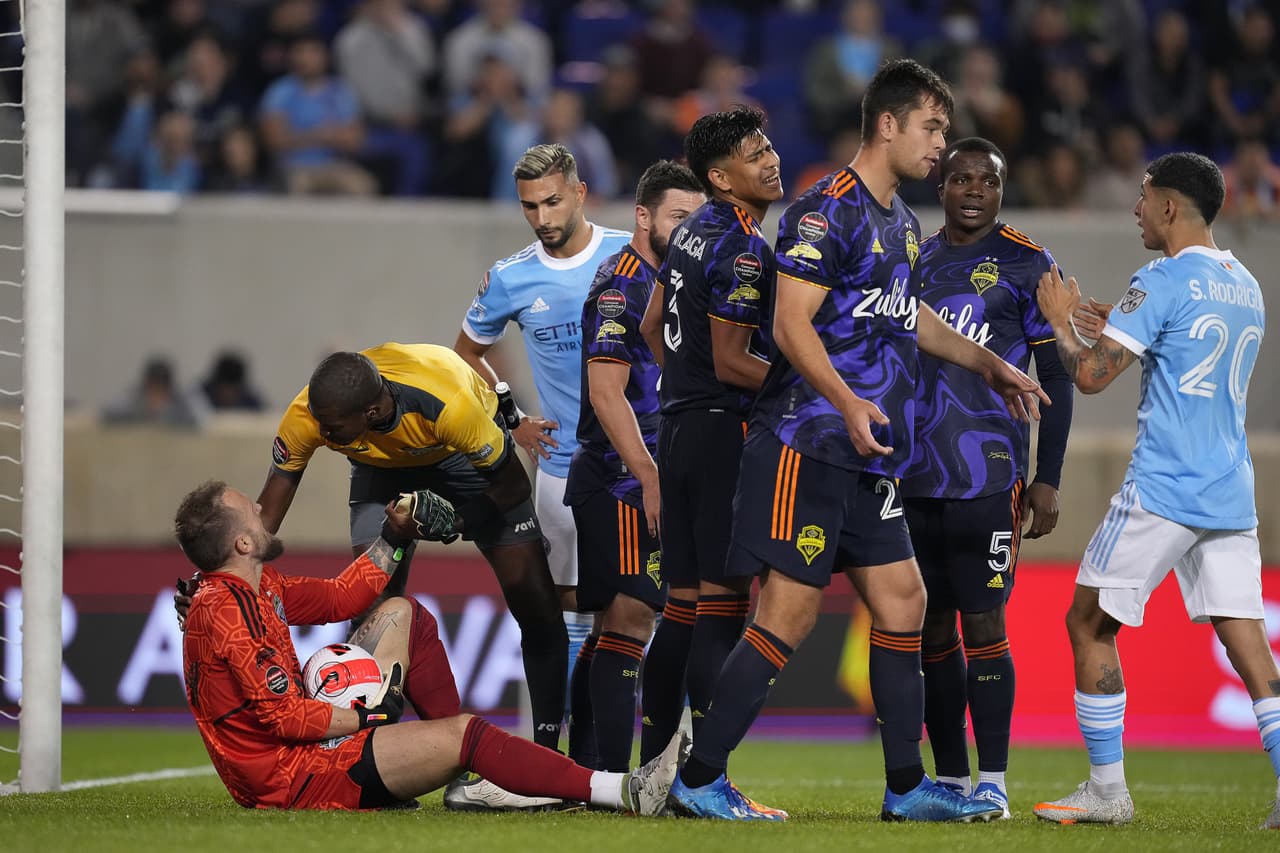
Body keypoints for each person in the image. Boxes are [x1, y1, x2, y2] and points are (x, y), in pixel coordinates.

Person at [665, 59, 1047, 823]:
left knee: (905, 600)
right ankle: (699, 778)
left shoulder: (901, 222)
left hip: (865, 453)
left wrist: (994, 362)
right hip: (805, 442)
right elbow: (787, 323)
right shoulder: (824, 211)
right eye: (933, 128)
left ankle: (906, 787)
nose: (942, 145)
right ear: (888, 124)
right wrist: (845, 401)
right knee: (789, 617)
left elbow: (912, 318)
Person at [174, 479, 684, 813]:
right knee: (464, 732)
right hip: (289, 776)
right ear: (241, 545)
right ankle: (622, 790)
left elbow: (341, 596)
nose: (263, 508)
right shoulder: (224, 608)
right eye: (250, 510)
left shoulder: (256, 587)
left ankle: (461, 771)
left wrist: (396, 534)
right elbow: (282, 719)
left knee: (403, 613)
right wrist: (369, 716)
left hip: (303, 743)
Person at [1030, 152, 1280, 830]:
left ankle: (1108, 792)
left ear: (1170, 207)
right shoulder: (1245, 282)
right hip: (1229, 490)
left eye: (1143, 197)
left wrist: (1058, 320)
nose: (1135, 209)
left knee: (1087, 622)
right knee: (1249, 643)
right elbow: (1189, 349)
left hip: (1165, 487)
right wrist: (1130, 322)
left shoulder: (1161, 279)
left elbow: (1087, 376)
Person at [252, 343, 570, 762]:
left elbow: (513, 487)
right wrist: (217, 580)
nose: (322, 436)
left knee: (537, 606)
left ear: (368, 412)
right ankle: (361, 758)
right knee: (372, 608)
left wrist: (454, 522)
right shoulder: (309, 415)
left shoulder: (451, 406)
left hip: (463, 457)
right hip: (380, 467)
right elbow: (263, 521)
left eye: (331, 429)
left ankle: (547, 754)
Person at [903, 137, 1075, 819]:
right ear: (940, 186)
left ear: (1002, 190)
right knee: (930, 630)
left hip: (989, 475)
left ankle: (994, 779)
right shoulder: (911, 258)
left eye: (989, 180)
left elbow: (1056, 373)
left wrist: (1047, 476)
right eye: (961, 178)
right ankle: (949, 780)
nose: (975, 189)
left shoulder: (1028, 261)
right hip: (911, 473)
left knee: (984, 622)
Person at [453, 143, 631, 761]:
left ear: (580, 193)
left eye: (552, 201)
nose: (542, 216)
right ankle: (550, 752)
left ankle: (638, 748)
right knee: (555, 612)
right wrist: (513, 418)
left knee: (637, 607)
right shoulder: (510, 276)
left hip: (633, 467)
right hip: (558, 468)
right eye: (530, 205)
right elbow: (465, 354)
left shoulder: (628, 255)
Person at [635, 107, 779, 773]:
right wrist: (804, 383)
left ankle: (664, 758)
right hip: (721, 431)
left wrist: (683, 385)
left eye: (768, 146)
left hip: (678, 427)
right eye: (755, 154)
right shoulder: (746, 246)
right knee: (723, 605)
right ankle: (708, 775)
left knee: (685, 605)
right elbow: (731, 360)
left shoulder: (691, 230)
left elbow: (652, 323)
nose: (772, 159)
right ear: (722, 177)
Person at [564, 160, 706, 772]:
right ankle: (620, 779)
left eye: (697, 219)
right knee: (633, 614)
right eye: (679, 217)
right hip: (621, 477)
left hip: (647, 473)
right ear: (643, 217)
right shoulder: (623, 286)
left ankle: (591, 768)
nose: (690, 230)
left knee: (611, 627)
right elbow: (606, 392)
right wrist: (648, 474)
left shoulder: (682, 281)